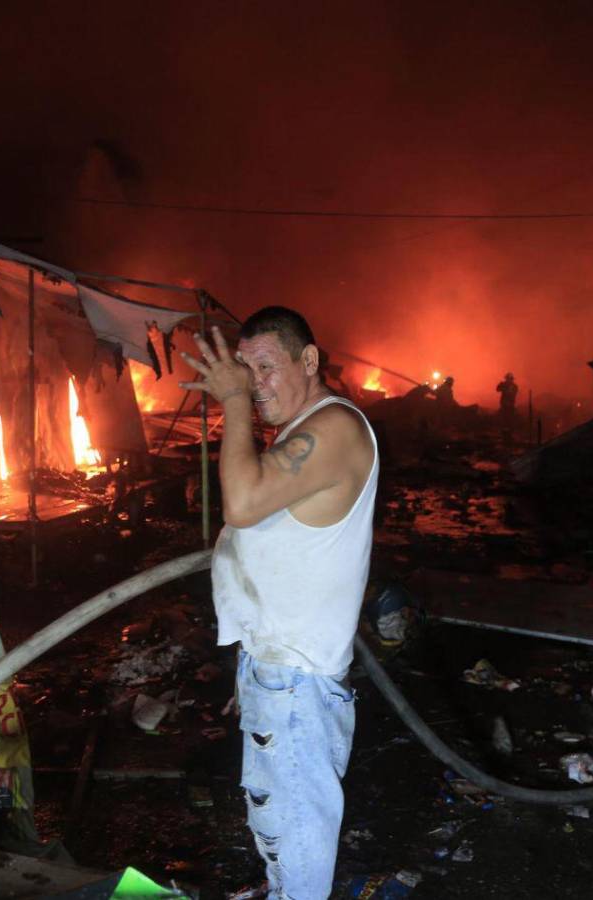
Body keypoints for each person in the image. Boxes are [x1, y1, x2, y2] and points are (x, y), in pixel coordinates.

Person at [180, 307, 379, 900]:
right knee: (275, 823)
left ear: (308, 361)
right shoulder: (300, 433)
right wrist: (250, 661)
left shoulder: (336, 426)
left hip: (298, 683)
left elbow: (240, 504)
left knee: (296, 833)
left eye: (265, 367)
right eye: (244, 370)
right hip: (277, 669)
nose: (254, 382)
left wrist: (234, 403)